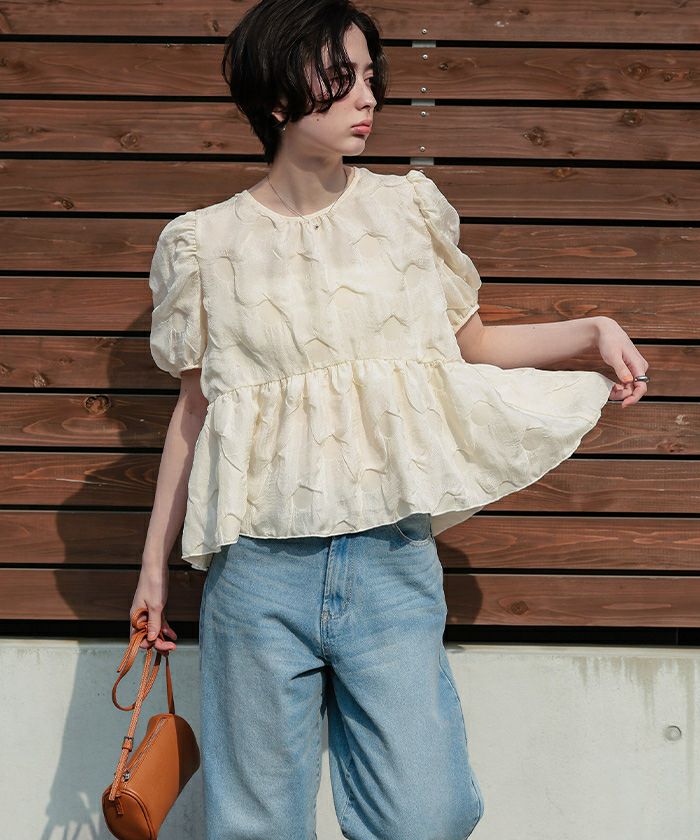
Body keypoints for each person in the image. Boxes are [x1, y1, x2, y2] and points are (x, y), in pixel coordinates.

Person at [129, 1, 649, 837]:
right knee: (253, 824)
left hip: (389, 559)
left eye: (371, 76)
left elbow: (472, 346)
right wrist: (153, 569)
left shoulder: (407, 210)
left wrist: (590, 333)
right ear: (277, 96)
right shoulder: (204, 244)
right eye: (341, 78)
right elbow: (195, 409)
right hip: (257, 571)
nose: (367, 96)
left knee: (427, 813)